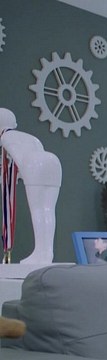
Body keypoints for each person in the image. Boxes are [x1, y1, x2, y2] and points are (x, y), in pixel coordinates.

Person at [0, 108, 62, 264]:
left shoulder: (5, 137)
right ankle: (46, 252)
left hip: (33, 165)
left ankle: (41, 252)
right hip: (52, 161)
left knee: (37, 210)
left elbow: (18, 161)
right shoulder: (29, 138)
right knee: (48, 209)